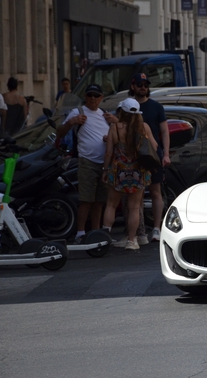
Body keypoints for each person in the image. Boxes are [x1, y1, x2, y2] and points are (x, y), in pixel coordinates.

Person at [56, 83, 118, 243]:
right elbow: (60, 132)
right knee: (86, 200)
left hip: (104, 163)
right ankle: (80, 232)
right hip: (87, 161)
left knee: (99, 201)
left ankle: (95, 232)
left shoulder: (105, 115)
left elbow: (120, 133)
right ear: (85, 97)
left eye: (96, 96)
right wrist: (72, 122)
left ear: (101, 98)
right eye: (90, 95)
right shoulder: (78, 112)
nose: (92, 98)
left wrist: (116, 121)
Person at [102, 98, 157, 250]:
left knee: (111, 205)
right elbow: (154, 146)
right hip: (138, 171)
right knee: (134, 207)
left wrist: (105, 170)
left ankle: (104, 239)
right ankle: (132, 241)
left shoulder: (115, 127)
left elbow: (108, 152)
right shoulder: (144, 127)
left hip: (118, 171)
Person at [127, 73, 170, 243]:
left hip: (152, 155)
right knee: (132, 195)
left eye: (145, 84)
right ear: (133, 86)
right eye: (139, 84)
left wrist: (166, 154)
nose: (143, 87)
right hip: (131, 157)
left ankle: (157, 229)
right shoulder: (127, 106)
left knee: (155, 192)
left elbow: (165, 132)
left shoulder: (157, 107)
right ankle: (137, 232)